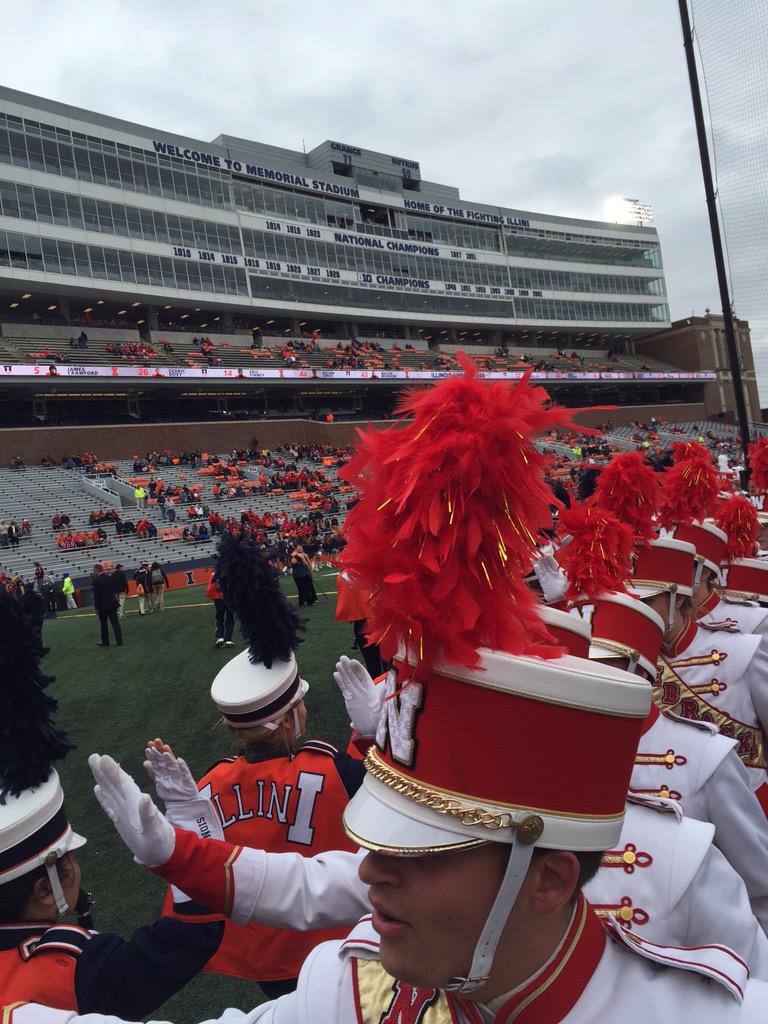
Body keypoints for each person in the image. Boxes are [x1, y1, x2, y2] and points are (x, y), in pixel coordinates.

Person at [87, 364, 768, 1022]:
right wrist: (176, 851)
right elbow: (315, 884)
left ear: (553, 880)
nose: (371, 873)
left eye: (421, 849)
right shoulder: (350, 988)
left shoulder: (693, 921)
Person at [0, 591, 225, 1018]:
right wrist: (187, 823)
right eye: (69, 861)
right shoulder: (77, 967)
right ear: (46, 888)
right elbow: (196, 930)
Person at [157, 533, 364, 996]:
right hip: (334, 942)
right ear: (290, 717)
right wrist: (368, 736)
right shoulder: (332, 768)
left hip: (262, 958)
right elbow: (397, 802)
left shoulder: (207, 784)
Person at [92, 564, 122, 648]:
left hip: (102, 606)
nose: (93, 573)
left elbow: (97, 595)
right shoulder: (109, 577)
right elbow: (114, 590)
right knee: (115, 623)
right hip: (112, 603)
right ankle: (119, 641)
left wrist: (96, 608)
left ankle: (105, 642)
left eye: (94, 571)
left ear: (97, 571)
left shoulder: (96, 580)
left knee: (104, 624)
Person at [207, 569, 234, 648]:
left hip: (218, 598)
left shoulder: (214, 573)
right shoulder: (230, 570)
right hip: (229, 598)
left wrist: (212, 596)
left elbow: (210, 587)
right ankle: (228, 640)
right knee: (230, 618)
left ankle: (220, 638)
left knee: (219, 618)